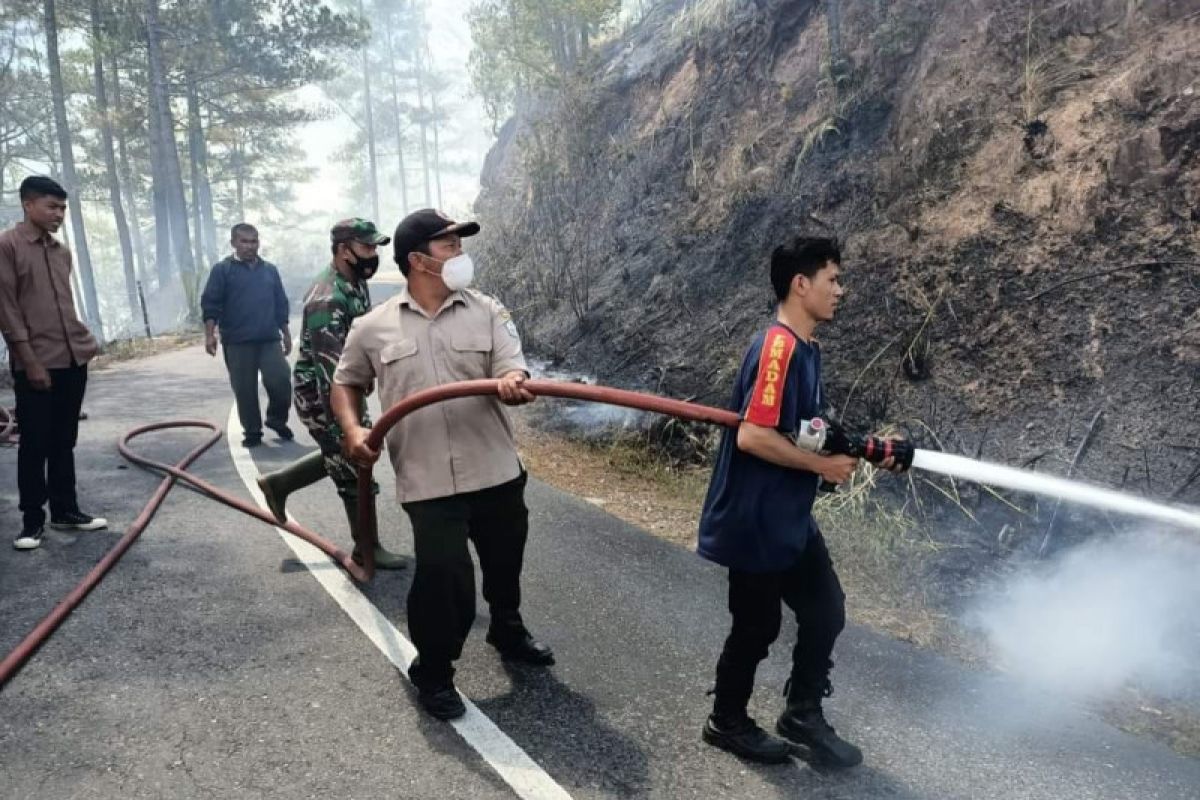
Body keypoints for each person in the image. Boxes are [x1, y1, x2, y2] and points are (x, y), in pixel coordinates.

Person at [331, 208, 553, 721]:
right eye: (449, 246)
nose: (460, 255)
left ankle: (507, 626)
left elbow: (511, 363)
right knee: (443, 578)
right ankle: (432, 670)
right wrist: (353, 429)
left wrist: (514, 382)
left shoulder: (488, 311)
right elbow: (345, 383)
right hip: (428, 481)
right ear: (417, 261)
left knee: (504, 561)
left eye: (459, 245)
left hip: (495, 470)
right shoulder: (373, 327)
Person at [697, 237, 904, 767]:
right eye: (832, 279)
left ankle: (802, 713)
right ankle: (727, 721)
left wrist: (859, 447)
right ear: (801, 284)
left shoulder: (808, 348)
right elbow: (753, 436)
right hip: (755, 517)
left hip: (787, 515)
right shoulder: (779, 347)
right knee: (757, 625)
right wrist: (822, 466)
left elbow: (804, 427)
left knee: (825, 610)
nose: (841, 290)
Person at [255, 218, 406, 569]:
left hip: (344, 383)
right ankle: (366, 548)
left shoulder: (353, 282)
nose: (373, 255)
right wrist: (344, 424)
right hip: (323, 393)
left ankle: (279, 484)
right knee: (354, 461)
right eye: (367, 247)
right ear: (343, 249)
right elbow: (330, 374)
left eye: (375, 248)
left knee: (346, 453)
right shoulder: (328, 298)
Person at [0, 176, 107, 551]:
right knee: (34, 443)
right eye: (52, 206)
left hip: (72, 358)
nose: (59, 214)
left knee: (64, 440)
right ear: (28, 205)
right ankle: (32, 522)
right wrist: (30, 362)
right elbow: (8, 311)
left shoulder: (61, 252)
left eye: (63, 208)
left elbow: (64, 306)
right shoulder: (7, 245)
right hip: (36, 362)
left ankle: (66, 510)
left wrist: (85, 344)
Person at [200, 223, 293, 447]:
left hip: (268, 338)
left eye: (254, 241)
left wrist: (286, 333)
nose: (250, 246)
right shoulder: (223, 270)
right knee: (244, 389)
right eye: (244, 241)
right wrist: (209, 334)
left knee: (281, 380)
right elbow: (211, 303)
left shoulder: (269, 270)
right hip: (238, 341)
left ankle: (276, 419)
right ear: (233, 243)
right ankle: (252, 431)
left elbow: (280, 303)